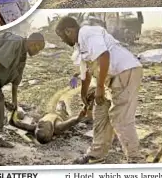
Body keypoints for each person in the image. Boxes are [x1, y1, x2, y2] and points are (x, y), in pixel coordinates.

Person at [55, 16, 144, 164]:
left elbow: (104, 55)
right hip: (113, 79)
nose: (62, 41)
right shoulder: (80, 46)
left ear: (68, 31)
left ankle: (136, 160)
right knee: (100, 111)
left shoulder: (88, 33)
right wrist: (84, 97)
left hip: (125, 72)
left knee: (120, 118)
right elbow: (87, 73)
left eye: (62, 36)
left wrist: (100, 87)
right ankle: (96, 154)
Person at [10, 99, 90, 144]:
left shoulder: (36, 129)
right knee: (60, 105)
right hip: (59, 114)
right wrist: (80, 116)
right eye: (42, 126)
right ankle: (64, 109)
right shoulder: (58, 127)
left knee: (32, 112)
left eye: (38, 126)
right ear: (51, 131)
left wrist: (13, 111)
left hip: (45, 114)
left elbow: (13, 123)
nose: (39, 124)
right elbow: (74, 121)